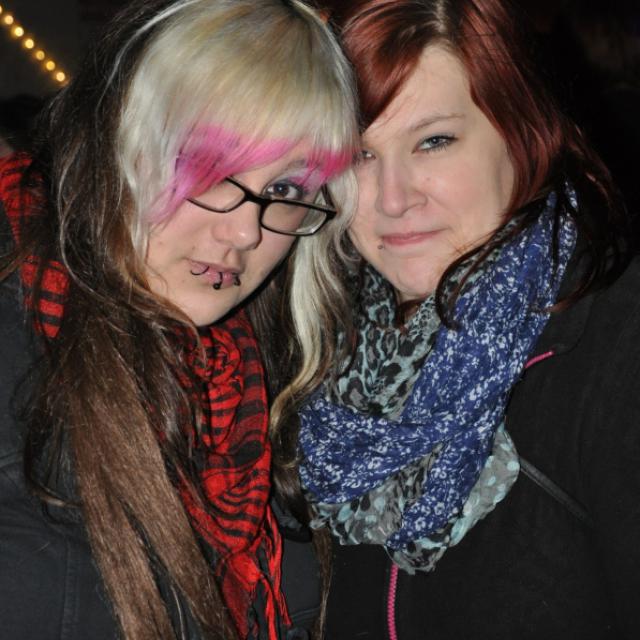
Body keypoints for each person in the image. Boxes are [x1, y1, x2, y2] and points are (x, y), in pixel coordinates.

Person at [271, 0, 640, 638]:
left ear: (521, 133)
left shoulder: (616, 348)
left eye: (434, 141)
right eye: (360, 155)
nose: (393, 198)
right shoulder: (324, 363)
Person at [0, 1, 356, 639]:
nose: (245, 232)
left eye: (286, 190)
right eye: (212, 169)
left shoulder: (285, 376)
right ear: (116, 139)